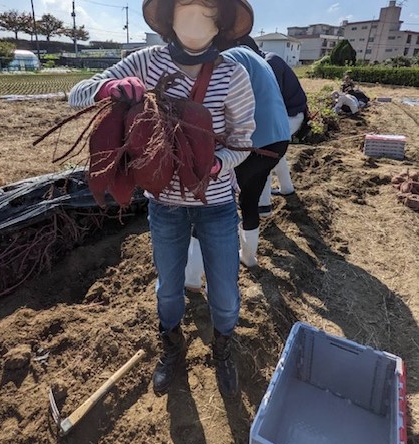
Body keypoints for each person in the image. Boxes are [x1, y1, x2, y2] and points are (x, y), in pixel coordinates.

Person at [69, 0, 256, 398]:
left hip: (217, 203)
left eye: (207, 8)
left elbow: (243, 141)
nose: (196, 15)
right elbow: (77, 94)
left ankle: (223, 348)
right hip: (165, 205)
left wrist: (216, 165)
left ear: (221, 22)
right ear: (169, 15)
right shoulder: (146, 62)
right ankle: (171, 346)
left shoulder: (233, 74)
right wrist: (108, 88)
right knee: (168, 288)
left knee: (224, 292)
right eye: (185, 5)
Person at [185, 41, 290, 291]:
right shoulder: (262, 62)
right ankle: (249, 257)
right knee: (250, 199)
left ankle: (192, 277)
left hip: (251, 144)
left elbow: (212, 101)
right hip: (279, 140)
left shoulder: (229, 58)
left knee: (214, 204)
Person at [245, 40, 309, 212]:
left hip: (291, 115)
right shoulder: (265, 61)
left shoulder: (269, 63)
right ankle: (287, 188)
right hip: (288, 114)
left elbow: (269, 102)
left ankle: (262, 205)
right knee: (275, 152)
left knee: (263, 150)